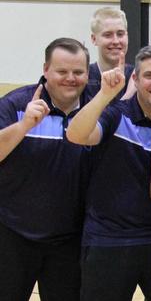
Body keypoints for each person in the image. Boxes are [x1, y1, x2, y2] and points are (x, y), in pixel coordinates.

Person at [67, 46, 151, 301]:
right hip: (109, 241)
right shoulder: (117, 115)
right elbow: (76, 134)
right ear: (135, 79)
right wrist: (105, 95)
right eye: (149, 75)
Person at [0, 38, 89, 300]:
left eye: (78, 72)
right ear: (46, 70)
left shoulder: (94, 108)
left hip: (69, 241)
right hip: (13, 234)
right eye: (62, 71)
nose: (70, 78)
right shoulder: (16, 104)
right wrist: (24, 125)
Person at [87, 7, 135, 99]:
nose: (116, 41)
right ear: (94, 39)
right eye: (108, 35)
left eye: (120, 34)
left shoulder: (138, 78)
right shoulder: (83, 78)